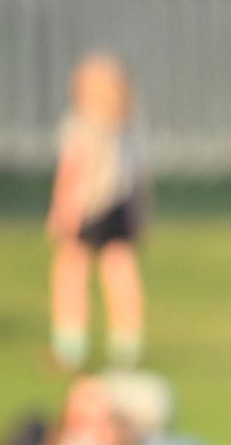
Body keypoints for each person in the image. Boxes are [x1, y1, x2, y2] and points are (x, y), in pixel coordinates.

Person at [47, 53, 148, 371]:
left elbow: (72, 168)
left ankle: (70, 344)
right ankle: (127, 344)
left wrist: (62, 209)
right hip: (122, 205)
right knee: (120, 271)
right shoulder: (127, 126)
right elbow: (140, 177)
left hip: (87, 206)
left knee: (70, 271)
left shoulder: (80, 123)